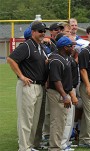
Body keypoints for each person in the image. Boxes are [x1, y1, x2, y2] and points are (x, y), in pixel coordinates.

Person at [7, 21, 48, 151]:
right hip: (28, 85)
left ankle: (29, 146)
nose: (43, 33)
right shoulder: (27, 45)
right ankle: (24, 148)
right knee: (26, 119)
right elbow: (11, 59)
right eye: (40, 31)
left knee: (34, 120)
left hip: (39, 86)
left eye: (44, 31)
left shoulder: (40, 46)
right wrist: (21, 76)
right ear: (33, 32)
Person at [47, 36, 76, 150]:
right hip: (58, 93)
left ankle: (57, 146)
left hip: (63, 92)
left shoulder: (62, 58)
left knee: (62, 121)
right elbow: (56, 80)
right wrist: (64, 95)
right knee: (57, 122)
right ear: (65, 47)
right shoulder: (56, 60)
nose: (73, 48)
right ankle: (54, 148)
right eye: (70, 46)